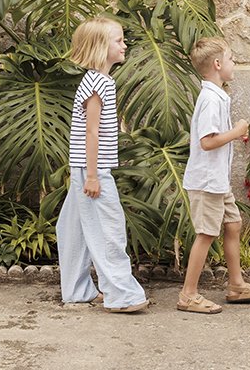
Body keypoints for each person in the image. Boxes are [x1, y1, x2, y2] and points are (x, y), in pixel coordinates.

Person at [56, 17, 150, 313]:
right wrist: (94, 176)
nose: (124, 45)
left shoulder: (94, 80)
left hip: (82, 167)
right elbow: (92, 131)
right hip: (91, 169)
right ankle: (122, 295)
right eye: (118, 40)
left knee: (72, 229)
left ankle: (76, 290)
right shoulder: (99, 83)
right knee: (110, 229)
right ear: (100, 47)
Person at [176, 37, 250, 313]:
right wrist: (238, 131)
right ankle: (188, 294)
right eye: (231, 59)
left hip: (217, 180)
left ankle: (236, 284)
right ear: (218, 64)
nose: (234, 64)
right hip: (207, 181)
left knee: (233, 224)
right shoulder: (209, 99)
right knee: (206, 234)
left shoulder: (217, 95)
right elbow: (207, 141)